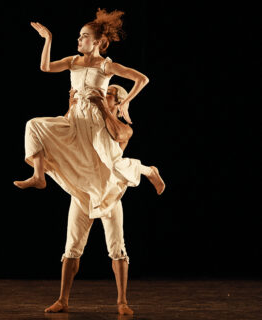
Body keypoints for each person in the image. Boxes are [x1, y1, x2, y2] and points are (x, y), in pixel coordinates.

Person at [13, 9, 166, 315]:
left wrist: (124, 102)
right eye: (78, 36)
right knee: (34, 125)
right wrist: (48, 39)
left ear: (98, 42)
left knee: (111, 161)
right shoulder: (72, 61)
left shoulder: (106, 65)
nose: (79, 39)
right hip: (76, 121)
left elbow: (142, 78)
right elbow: (45, 67)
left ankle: (122, 301)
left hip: (96, 125)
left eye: (84, 36)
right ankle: (39, 174)